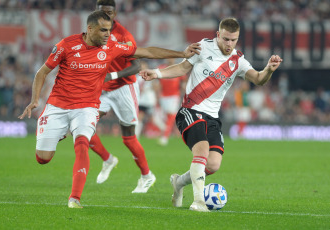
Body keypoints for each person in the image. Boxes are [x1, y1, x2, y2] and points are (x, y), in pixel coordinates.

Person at [18, 10, 200, 209]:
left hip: (87, 107)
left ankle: (74, 199)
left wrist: (182, 53)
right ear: (89, 29)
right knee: (43, 158)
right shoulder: (66, 45)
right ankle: (59, 132)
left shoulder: (113, 47)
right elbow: (42, 71)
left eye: (109, 30)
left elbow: (147, 52)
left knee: (81, 143)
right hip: (57, 106)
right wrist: (35, 100)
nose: (107, 34)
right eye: (103, 30)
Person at [140, 17, 283, 212]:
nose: (229, 44)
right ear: (218, 35)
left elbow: (258, 79)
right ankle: (199, 201)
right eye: (226, 39)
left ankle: (179, 183)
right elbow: (182, 68)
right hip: (190, 110)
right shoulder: (202, 48)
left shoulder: (238, 60)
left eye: (233, 40)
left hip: (212, 117)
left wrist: (268, 69)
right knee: (202, 149)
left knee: (213, 164)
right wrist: (156, 73)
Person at [88, 0, 155, 193]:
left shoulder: (124, 35)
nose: (106, 16)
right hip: (102, 90)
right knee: (84, 127)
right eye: (103, 12)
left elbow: (136, 66)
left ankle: (147, 175)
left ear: (115, 13)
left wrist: (113, 75)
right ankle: (108, 160)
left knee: (129, 139)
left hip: (124, 88)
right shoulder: (91, 33)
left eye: (109, 12)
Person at [157, 58, 187, 146]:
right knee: (165, 117)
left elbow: (184, 80)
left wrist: (183, 88)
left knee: (171, 116)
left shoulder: (178, 68)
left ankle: (165, 137)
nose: (170, 59)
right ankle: (166, 132)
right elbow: (157, 81)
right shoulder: (161, 68)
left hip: (174, 96)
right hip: (163, 96)